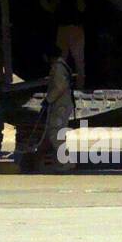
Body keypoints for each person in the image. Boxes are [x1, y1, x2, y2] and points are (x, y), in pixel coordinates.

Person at [17, 44, 76, 172]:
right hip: (61, 104)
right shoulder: (61, 66)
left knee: (55, 133)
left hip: (60, 105)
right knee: (57, 133)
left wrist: (48, 99)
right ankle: (65, 161)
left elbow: (60, 86)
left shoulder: (58, 67)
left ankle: (66, 162)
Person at [38, 0, 87, 88]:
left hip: (74, 29)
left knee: (78, 60)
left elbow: (82, 7)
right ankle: (62, 86)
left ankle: (79, 86)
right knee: (61, 60)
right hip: (63, 29)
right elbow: (51, 8)